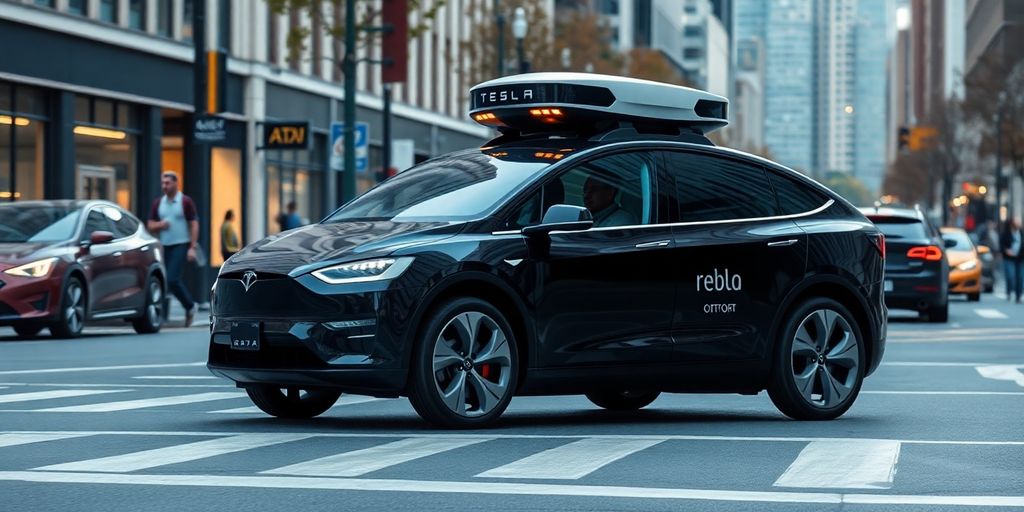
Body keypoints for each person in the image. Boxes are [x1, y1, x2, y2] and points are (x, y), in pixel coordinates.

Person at [148, 171, 198, 327]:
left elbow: (194, 224)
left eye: (168, 183)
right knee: (165, 280)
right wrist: (160, 225)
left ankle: (189, 306)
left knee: (172, 279)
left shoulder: (185, 202)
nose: (164, 186)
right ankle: (167, 313)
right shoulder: (158, 203)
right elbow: (150, 224)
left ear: (176, 183)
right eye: (163, 183)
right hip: (164, 247)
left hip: (181, 245)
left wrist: (192, 247)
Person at [999, 217, 1024, 303]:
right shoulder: (1005, 233)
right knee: (1010, 276)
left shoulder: (1021, 233)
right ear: (1012, 224)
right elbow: (1001, 245)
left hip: (1020, 259)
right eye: (1017, 223)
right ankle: (1009, 292)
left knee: (1020, 277)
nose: (1019, 224)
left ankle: (1018, 295)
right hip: (1009, 258)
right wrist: (1006, 250)